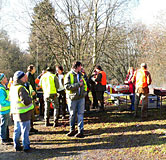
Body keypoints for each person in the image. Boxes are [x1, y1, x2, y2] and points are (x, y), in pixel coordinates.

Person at [10, 71, 34, 152]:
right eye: (24, 76)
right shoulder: (21, 88)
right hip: (24, 113)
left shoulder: (12, 88)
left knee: (17, 130)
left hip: (15, 112)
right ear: (21, 78)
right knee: (25, 130)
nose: (26, 77)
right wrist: (31, 98)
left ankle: (16, 145)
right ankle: (26, 146)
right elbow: (26, 101)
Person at [64, 61, 87, 138]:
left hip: (81, 97)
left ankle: (81, 131)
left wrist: (84, 93)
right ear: (76, 67)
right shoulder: (68, 75)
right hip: (72, 98)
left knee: (80, 114)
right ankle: (72, 130)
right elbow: (67, 86)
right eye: (80, 66)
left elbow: (84, 84)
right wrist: (78, 85)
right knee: (72, 114)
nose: (81, 68)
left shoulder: (81, 75)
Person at [0, 73, 12, 144]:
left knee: (6, 124)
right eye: (4, 78)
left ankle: (6, 137)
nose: (6, 79)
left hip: (6, 109)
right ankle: (3, 139)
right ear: (1, 80)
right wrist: (11, 103)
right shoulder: (1, 89)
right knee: (3, 124)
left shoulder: (4, 87)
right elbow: (2, 101)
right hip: (3, 110)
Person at [26, 64, 38, 133]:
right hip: (30, 96)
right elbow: (29, 86)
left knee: (32, 112)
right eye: (34, 68)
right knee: (31, 112)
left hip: (32, 95)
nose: (35, 69)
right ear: (31, 69)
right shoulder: (29, 76)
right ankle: (30, 127)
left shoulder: (31, 75)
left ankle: (31, 126)